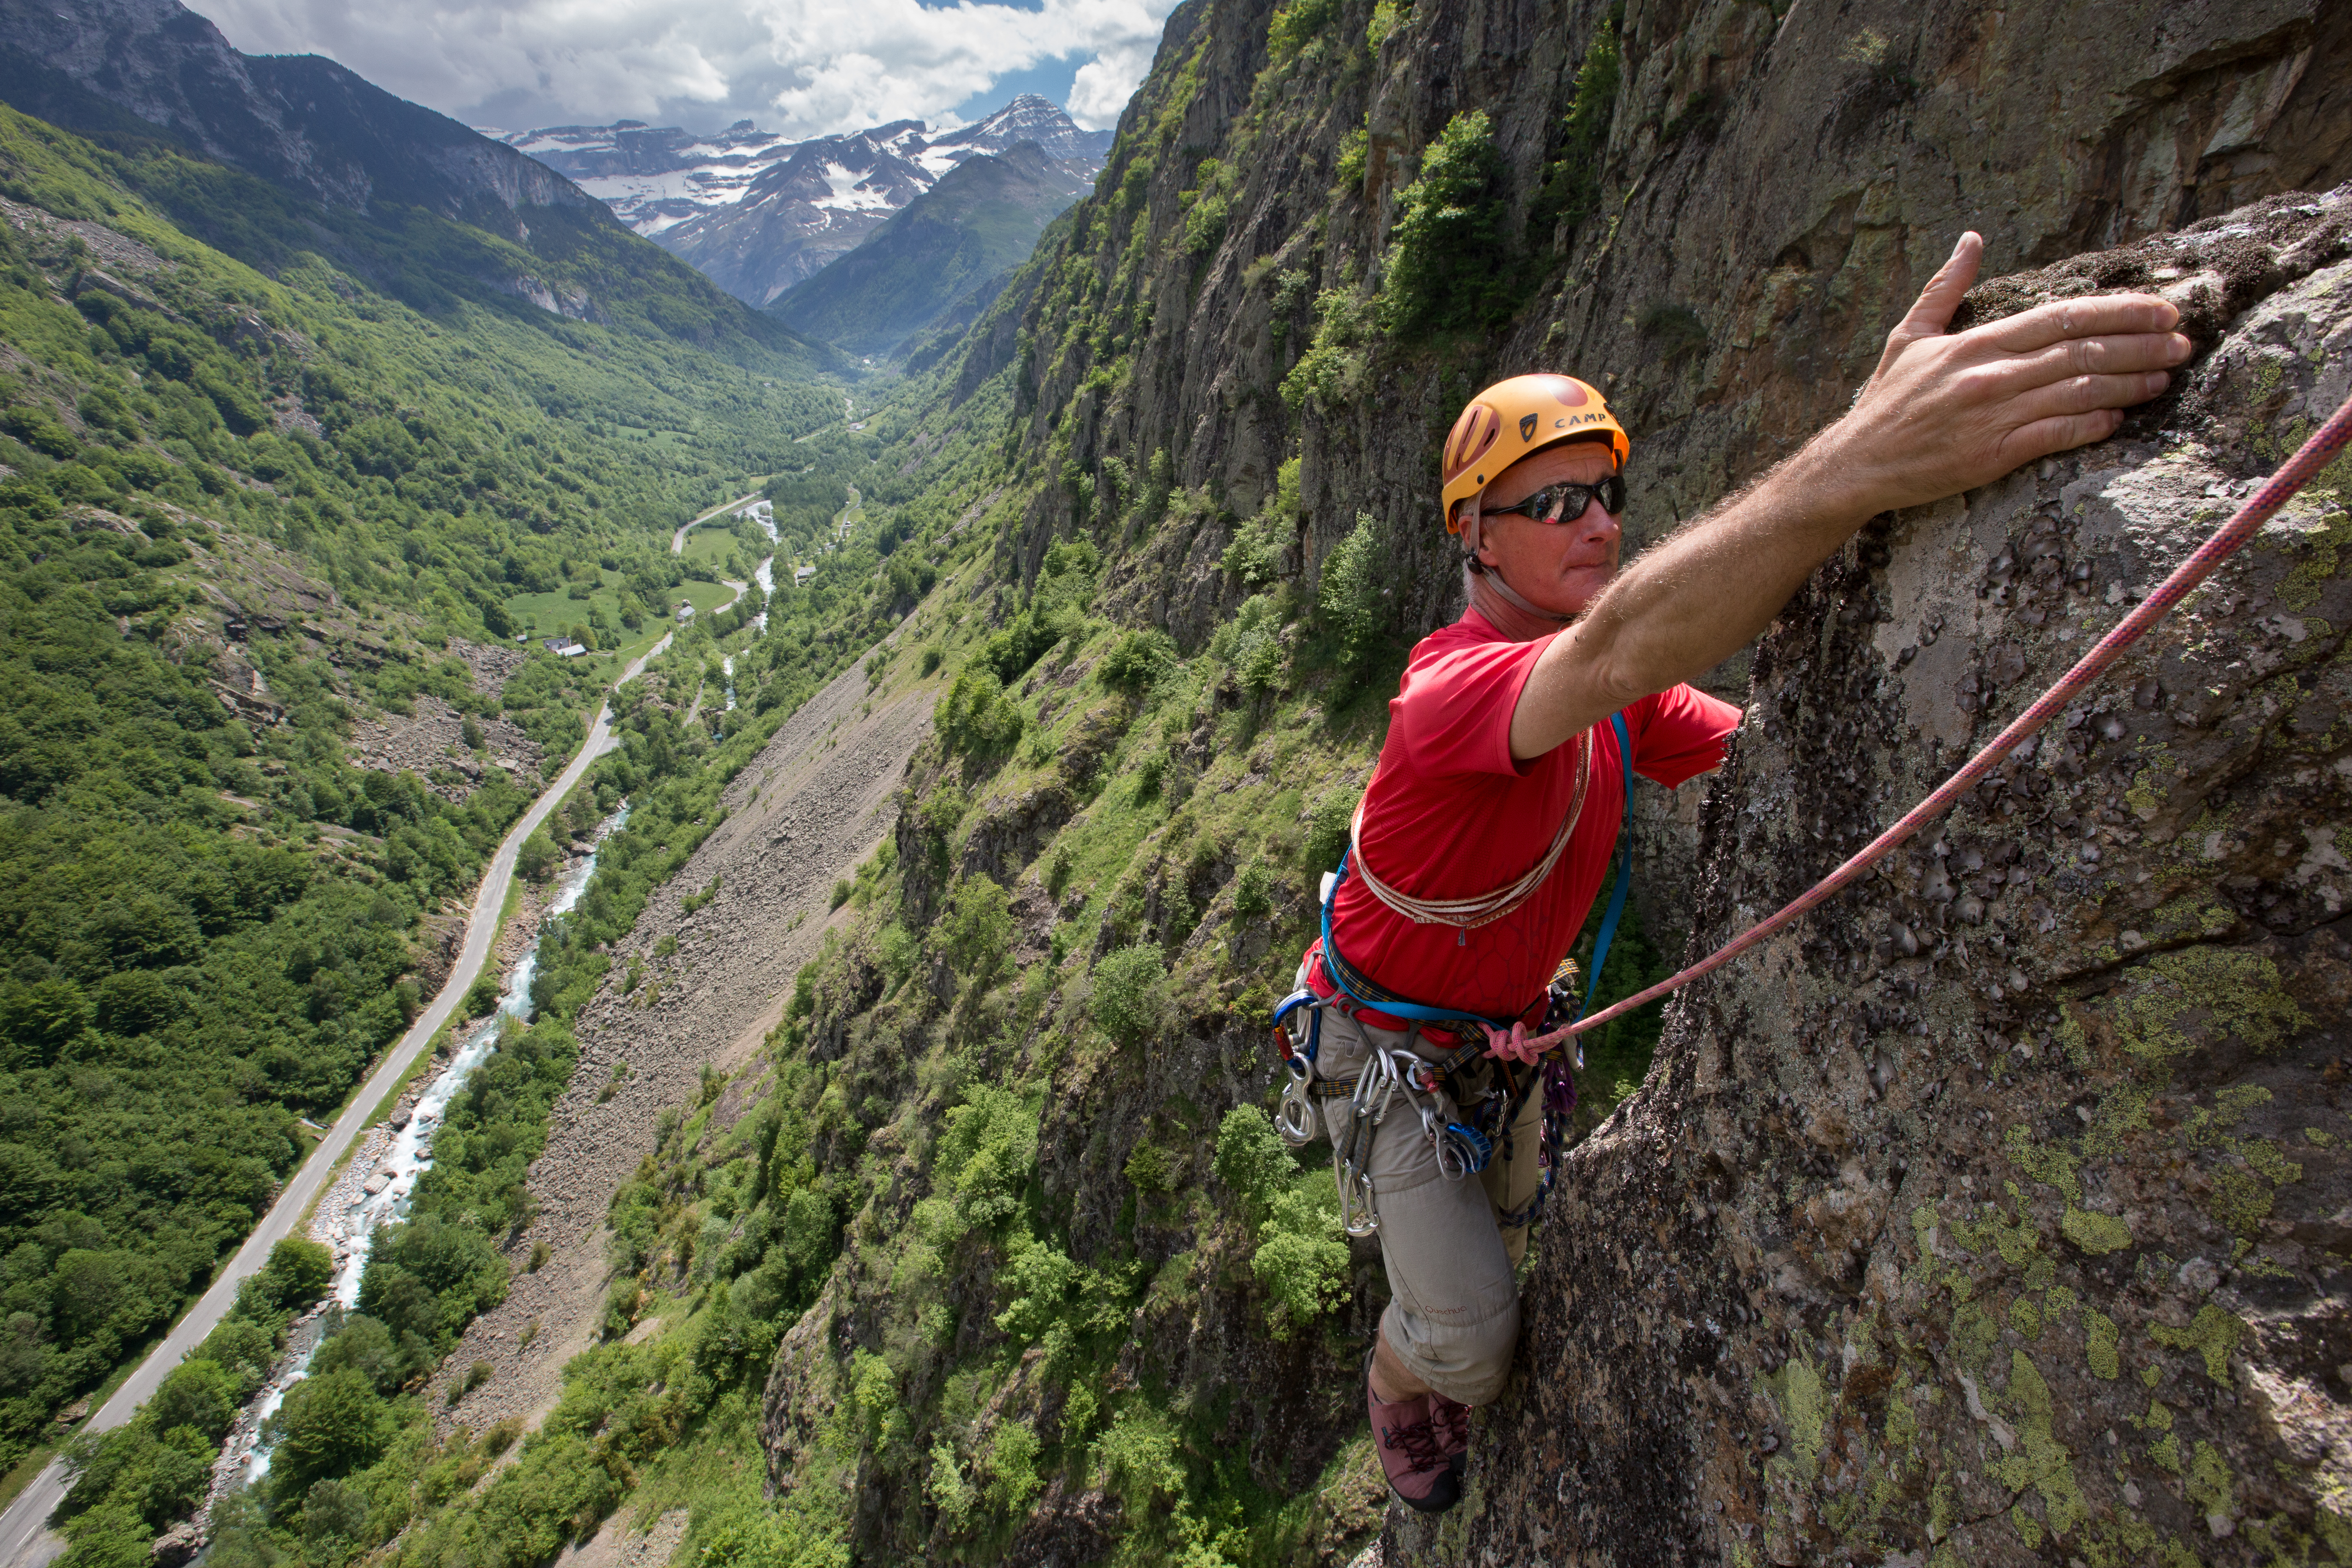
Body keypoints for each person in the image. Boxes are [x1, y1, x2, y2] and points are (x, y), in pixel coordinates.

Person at [1281, 233, 2191, 1513]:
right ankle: (1401, 1372)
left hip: (1497, 1037)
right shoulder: (1452, 693)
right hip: (1383, 1048)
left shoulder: (1607, 707)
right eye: (1551, 502)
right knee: (1477, 1341)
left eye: (1603, 493)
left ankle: (1433, 1318)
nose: (1593, 519)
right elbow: (1628, 639)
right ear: (1473, 535)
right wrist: (1861, 461)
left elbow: (1756, 745)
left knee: (1512, 1234)